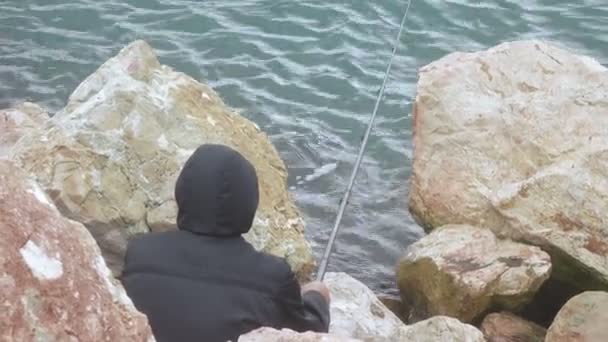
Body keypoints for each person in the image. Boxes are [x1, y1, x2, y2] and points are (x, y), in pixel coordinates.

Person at [121, 144, 330, 342]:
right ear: (248, 203)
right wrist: (317, 298)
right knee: (318, 288)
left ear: (183, 192)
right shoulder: (272, 276)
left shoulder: (140, 252)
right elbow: (311, 332)